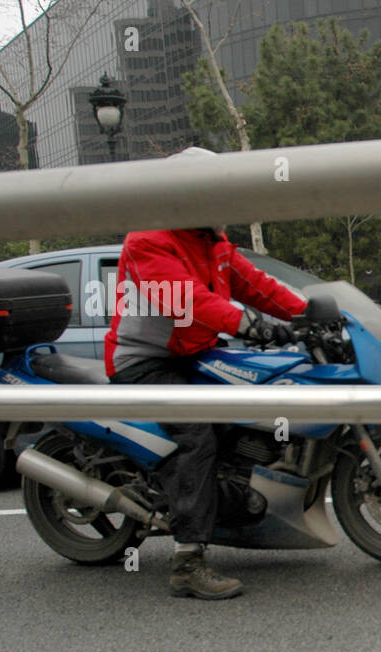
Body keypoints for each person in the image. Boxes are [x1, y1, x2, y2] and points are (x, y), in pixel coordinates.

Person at [104, 150, 308, 600]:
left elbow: (259, 286)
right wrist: (247, 324)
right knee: (195, 434)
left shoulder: (211, 242)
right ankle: (187, 561)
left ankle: (232, 498)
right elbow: (190, 300)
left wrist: (312, 314)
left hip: (194, 355)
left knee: (250, 403)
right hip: (145, 362)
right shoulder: (148, 241)